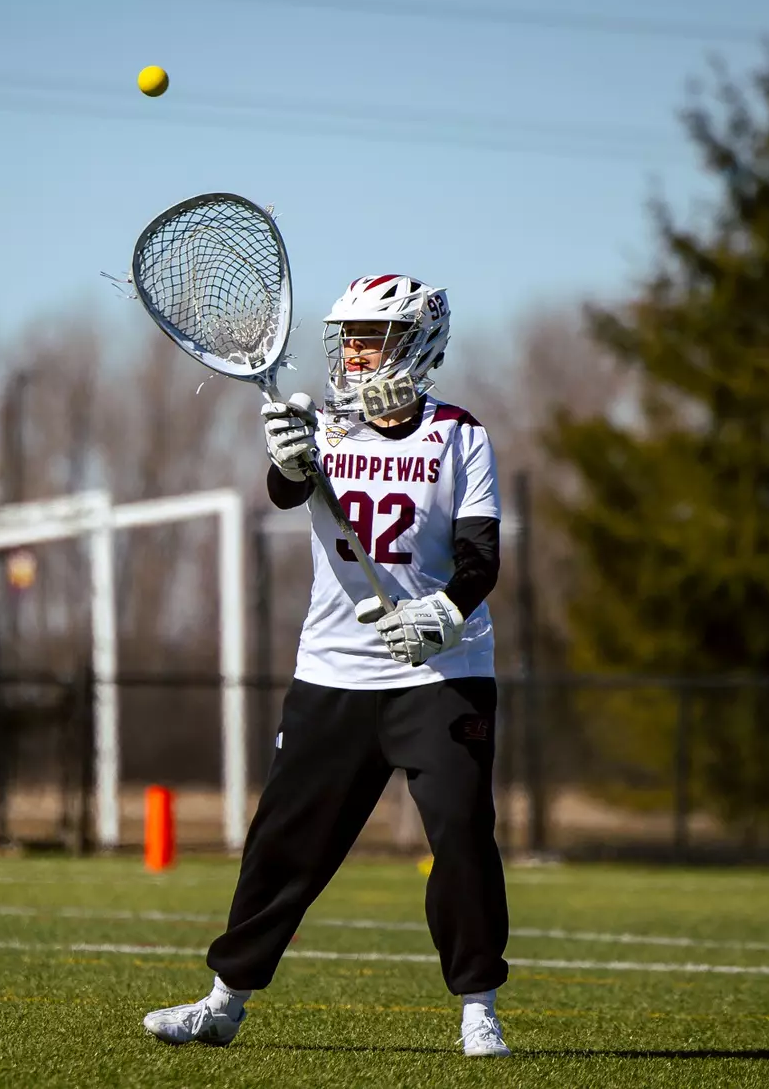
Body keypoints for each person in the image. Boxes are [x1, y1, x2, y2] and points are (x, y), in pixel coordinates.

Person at [143, 274, 510, 1058]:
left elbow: (481, 559)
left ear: (419, 342)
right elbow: (284, 492)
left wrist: (438, 617)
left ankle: (478, 1008)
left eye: (369, 334)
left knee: (462, 834)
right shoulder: (326, 427)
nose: (352, 349)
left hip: (439, 676)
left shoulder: (461, 434)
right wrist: (290, 459)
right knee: (284, 843)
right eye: (345, 334)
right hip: (335, 670)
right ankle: (224, 1001)